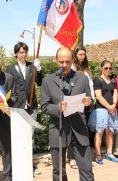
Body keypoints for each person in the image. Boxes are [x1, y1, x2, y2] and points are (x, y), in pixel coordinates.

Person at [41, 47, 94, 181]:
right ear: (55, 61)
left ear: (72, 61)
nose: (64, 65)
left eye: (68, 62)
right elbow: (44, 106)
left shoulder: (82, 79)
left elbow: (90, 101)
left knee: (87, 169)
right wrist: (57, 108)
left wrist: (88, 103)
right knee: (59, 172)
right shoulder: (48, 81)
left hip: (79, 128)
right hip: (58, 128)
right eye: (61, 62)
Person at [5, 42, 43, 175]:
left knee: (30, 136)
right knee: (18, 136)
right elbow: (8, 86)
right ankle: (17, 165)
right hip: (17, 107)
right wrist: (13, 100)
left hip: (31, 106)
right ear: (16, 53)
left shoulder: (32, 66)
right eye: (21, 52)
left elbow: (40, 82)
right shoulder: (10, 68)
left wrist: (38, 70)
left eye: (25, 52)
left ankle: (29, 165)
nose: (23, 54)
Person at [67, 46, 94, 169]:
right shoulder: (72, 67)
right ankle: (72, 157)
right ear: (75, 55)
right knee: (73, 132)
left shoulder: (86, 68)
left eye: (84, 54)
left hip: (87, 102)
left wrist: (91, 99)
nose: (82, 56)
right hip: (75, 102)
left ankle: (82, 158)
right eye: (80, 54)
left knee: (83, 131)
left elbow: (91, 85)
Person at [89, 60, 118, 165]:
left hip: (112, 108)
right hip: (101, 109)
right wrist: (109, 107)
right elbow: (99, 96)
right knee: (100, 131)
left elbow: (115, 93)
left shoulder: (113, 80)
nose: (108, 70)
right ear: (101, 68)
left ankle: (109, 153)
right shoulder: (97, 80)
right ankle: (98, 154)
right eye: (106, 68)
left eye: (110, 68)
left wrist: (114, 105)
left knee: (110, 131)